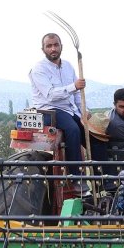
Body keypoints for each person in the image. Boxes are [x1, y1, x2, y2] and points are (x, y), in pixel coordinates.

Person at [29, 32, 86, 179]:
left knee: (93, 134)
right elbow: (51, 95)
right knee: (72, 130)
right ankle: (76, 178)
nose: (53, 49)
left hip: (69, 110)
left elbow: (77, 94)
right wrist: (73, 86)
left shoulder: (68, 66)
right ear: (43, 49)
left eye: (56, 45)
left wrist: (84, 112)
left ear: (61, 47)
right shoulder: (39, 69)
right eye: (49, 46)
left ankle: (105, 179)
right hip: (48, 111)